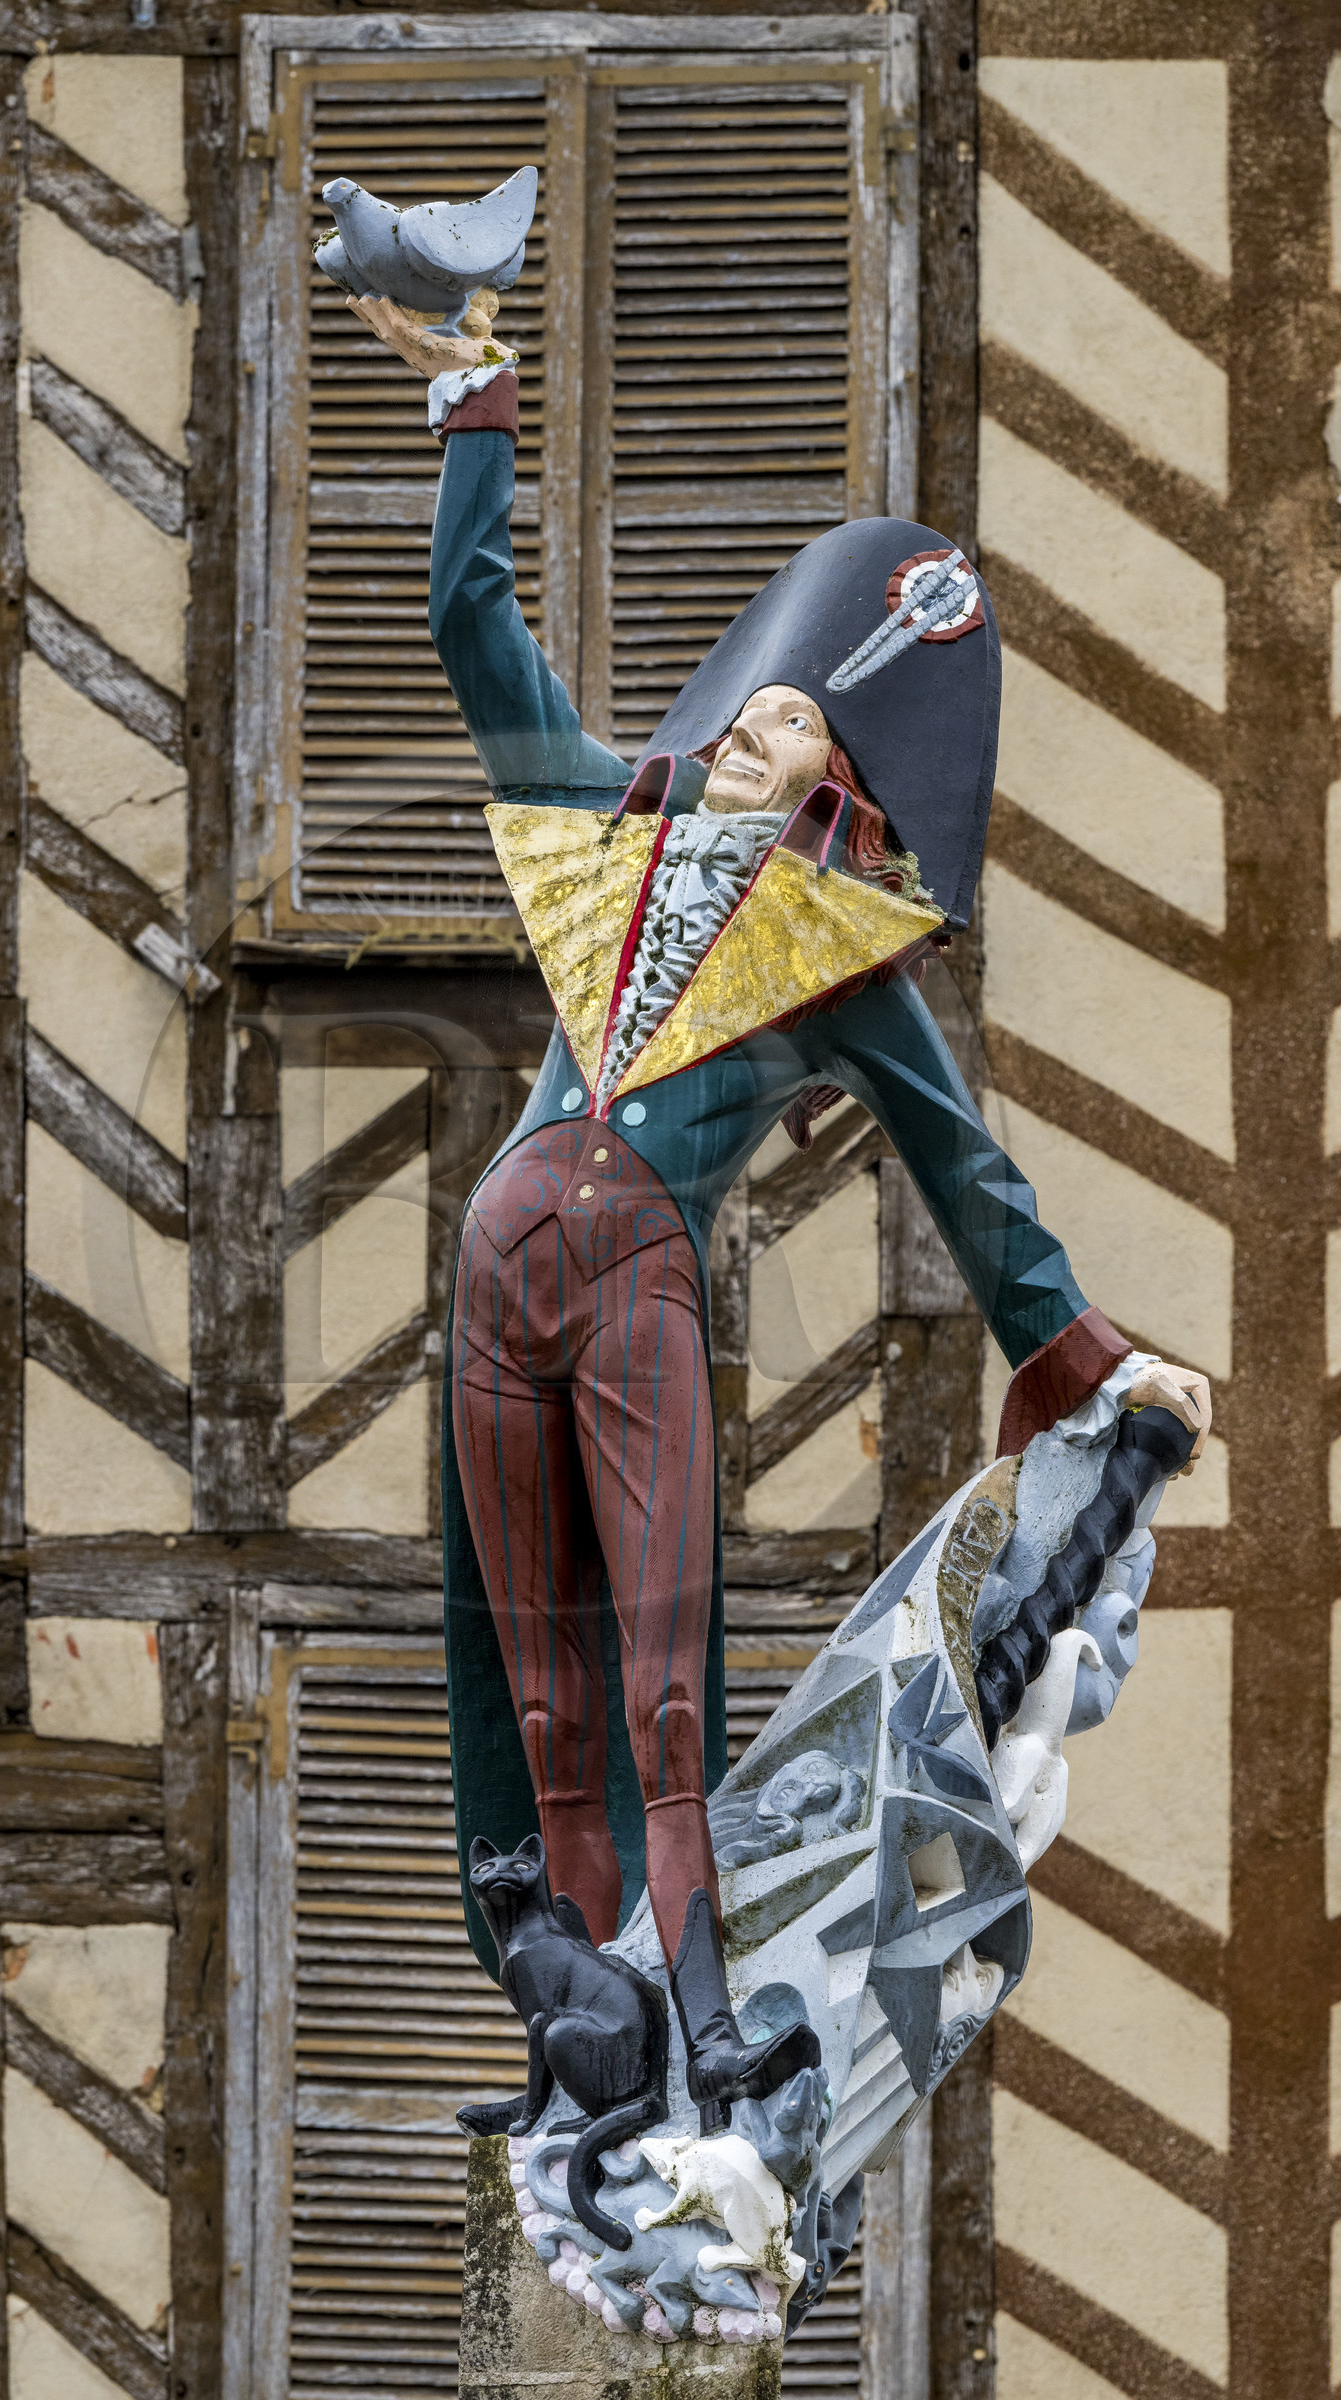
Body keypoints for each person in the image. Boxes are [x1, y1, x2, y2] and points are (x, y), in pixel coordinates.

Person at [347, 294, 1211, 2126]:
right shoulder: (606, 820)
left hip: (639, 1266)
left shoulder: (841, 963)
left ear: (845, 781)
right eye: (755, 710)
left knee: (661, 1680)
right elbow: (470, 632)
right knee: (528, 1680)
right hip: (504, 1254)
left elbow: (967, 1172)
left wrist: (1087, 1360)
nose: (756, 732)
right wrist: (474, 404)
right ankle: (569, 2039)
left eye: (800, 726)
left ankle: (700, 2020)